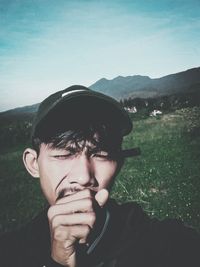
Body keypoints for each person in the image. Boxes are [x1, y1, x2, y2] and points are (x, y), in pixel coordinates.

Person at [0, 85, 199, 267]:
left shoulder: (161, 244)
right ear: (33, 164)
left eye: (102, 154)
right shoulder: (9, 253)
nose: (83, 176)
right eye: (63, 154)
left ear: (119, 164)